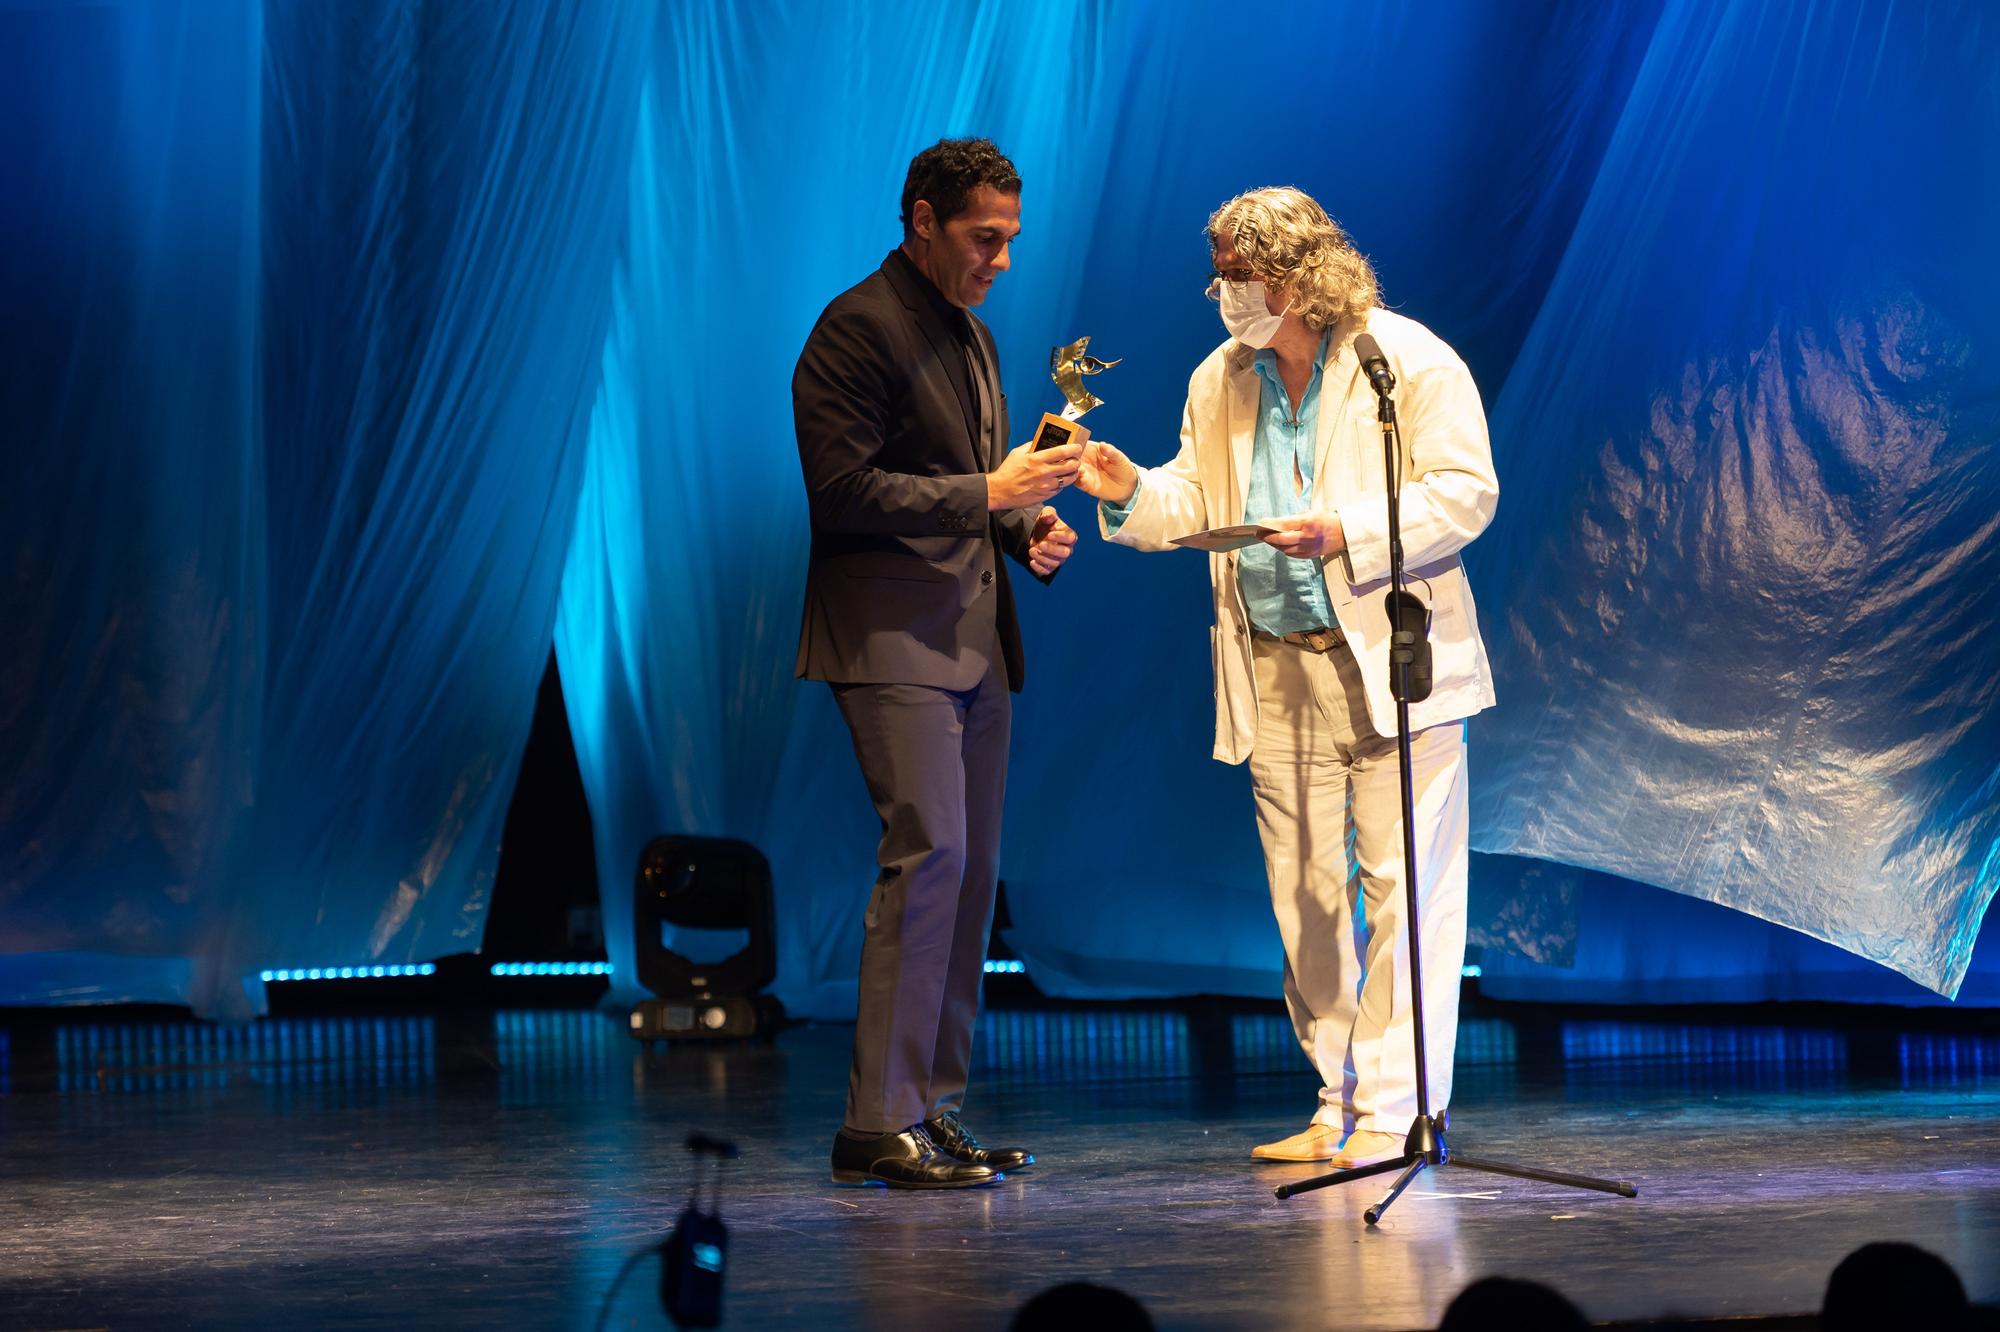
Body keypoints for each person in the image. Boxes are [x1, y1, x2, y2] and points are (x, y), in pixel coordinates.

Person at [1076, 186, 1497, 1166]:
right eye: (1218, 274)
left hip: (1391, 661)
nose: (1219, 293)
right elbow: (1195, 491)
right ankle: (1335, 1102)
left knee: (1403, 893)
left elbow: (1462, 492)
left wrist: (1342, 532)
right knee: (1303, 896)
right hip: (1274, 662)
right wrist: (1130, 490)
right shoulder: (1218, 377)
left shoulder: (1404, 361)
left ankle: (1396, 1114)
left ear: (1293, 273)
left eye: (1234, 274)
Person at [794, 137, 1083, 1189]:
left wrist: (1021, 530)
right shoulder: (853, 328)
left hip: (969, 637)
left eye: (1009, 239)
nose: (999, 258)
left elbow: (968, 483)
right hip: (890, 637)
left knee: (967, 875)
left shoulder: (971, 337)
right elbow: (841, 492)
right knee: (927, 856)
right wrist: (989, 498)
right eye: (982, 238)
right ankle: (874, 1120)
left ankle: (928, 1103)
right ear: (922, 218)